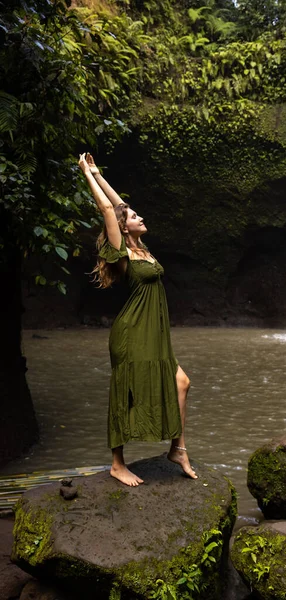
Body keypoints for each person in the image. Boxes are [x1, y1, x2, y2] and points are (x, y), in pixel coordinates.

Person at [78, 152, 197, 486]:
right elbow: (108, 210)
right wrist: (86, 173)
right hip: (132, 331)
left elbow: (117, 204)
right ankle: (117, 463)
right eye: (133, 216)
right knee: (125, 393)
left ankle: (178, 448)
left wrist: (101, 174)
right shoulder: (123, 251)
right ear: (123, 227)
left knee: (181, 382)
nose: (139, 216)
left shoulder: (142, 248)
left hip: (153, 331)